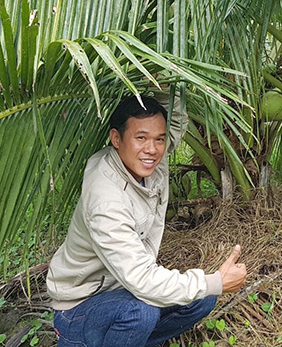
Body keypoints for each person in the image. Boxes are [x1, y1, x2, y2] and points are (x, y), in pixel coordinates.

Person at [46, 92, 247, 347]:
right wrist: (217, 281)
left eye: (159, 139)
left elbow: (175, 120)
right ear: (116, 139)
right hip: (80, 309)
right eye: (141, 137)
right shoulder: (106, 199)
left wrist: (158, 69)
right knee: (142, 311)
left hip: (122, 291)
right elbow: (142, 280)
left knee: (202, 297)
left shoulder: (149, 162)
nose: (152, 149)